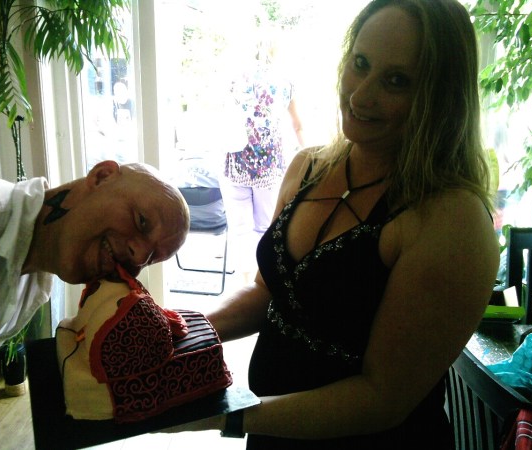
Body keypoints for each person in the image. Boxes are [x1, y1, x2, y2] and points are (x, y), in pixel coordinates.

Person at [165, 0, 500, 448]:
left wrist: (220, 415)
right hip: (271, 431)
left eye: (396, 81)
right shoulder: (308, 167)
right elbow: (268, 293)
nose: (360, 96)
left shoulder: (451, 220)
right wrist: (177, 334)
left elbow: (382, 398)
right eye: (360, 64)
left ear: (440, 97)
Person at [0, 160, 189, 399]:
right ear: (102, 176)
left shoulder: (31, 285)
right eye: (141, 221)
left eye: (150, 258)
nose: (138, 257)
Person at [221, 31, 306, 283]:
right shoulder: (285, 82)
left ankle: (244, 282)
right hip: (269, 165)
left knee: (240, 229)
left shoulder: (236, 78)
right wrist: (310, 156)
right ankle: (260, 284)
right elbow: (298, 125)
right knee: (265, 228)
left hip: (236, 162)